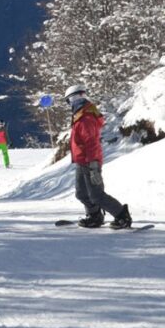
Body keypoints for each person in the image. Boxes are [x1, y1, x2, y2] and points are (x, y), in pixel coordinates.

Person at [65, 85, 132, 229]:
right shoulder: (80, 116)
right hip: (82, 161)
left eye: (68, 101)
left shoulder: (85, 118)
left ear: (74, 98)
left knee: (96, 195)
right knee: (81, 194)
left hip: (90, 162)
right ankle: (95, 216)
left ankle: (122, 215)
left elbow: (92, 143)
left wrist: (94, 164)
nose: (69, 104)